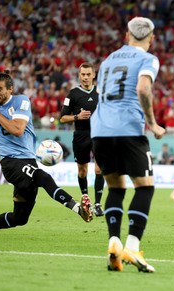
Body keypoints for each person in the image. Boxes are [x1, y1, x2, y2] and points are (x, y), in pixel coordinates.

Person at [0, 72, 93, 239]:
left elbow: (17, 130)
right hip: (10, 163)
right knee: (43, 177)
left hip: (28, 161)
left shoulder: (21, 101)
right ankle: (78, 209)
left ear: (10, 89)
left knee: (19, 219)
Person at [91, 17, 165, 272]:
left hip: (99, 131)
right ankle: (132, 246)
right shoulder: (148, 59)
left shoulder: (107, 60)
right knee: (144, 188)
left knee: (116, 188)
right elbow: (143, 89)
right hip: (129, 130)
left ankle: (114, 241)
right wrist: (153, 123)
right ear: (151, 37)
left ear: (126, 35)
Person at [60, 62, 105, 217]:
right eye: (83, 74)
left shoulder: (101, 93)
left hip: (99, 135)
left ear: (93, 75)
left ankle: (98, 204)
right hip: (81, 135)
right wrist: (76, 117)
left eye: (88, 74)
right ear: (79, 75)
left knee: (99, 168)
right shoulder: (72, 94)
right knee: (82, 171)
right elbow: (62, 118)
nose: (85, 77)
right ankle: (86, 198)